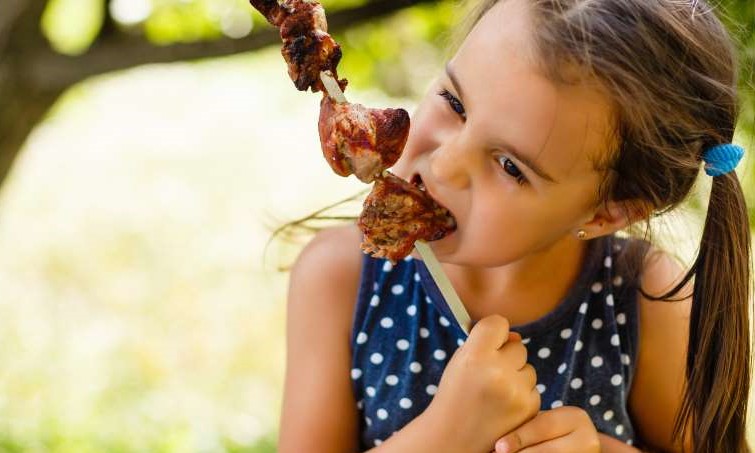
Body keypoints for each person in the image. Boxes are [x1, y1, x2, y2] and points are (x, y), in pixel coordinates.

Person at [277, 0, 752, 452]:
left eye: (509, 166)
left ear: (605, 213)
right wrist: (444, 436)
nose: (444, 165)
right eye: (455, 104)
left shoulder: (642, 300)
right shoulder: (340, 279)